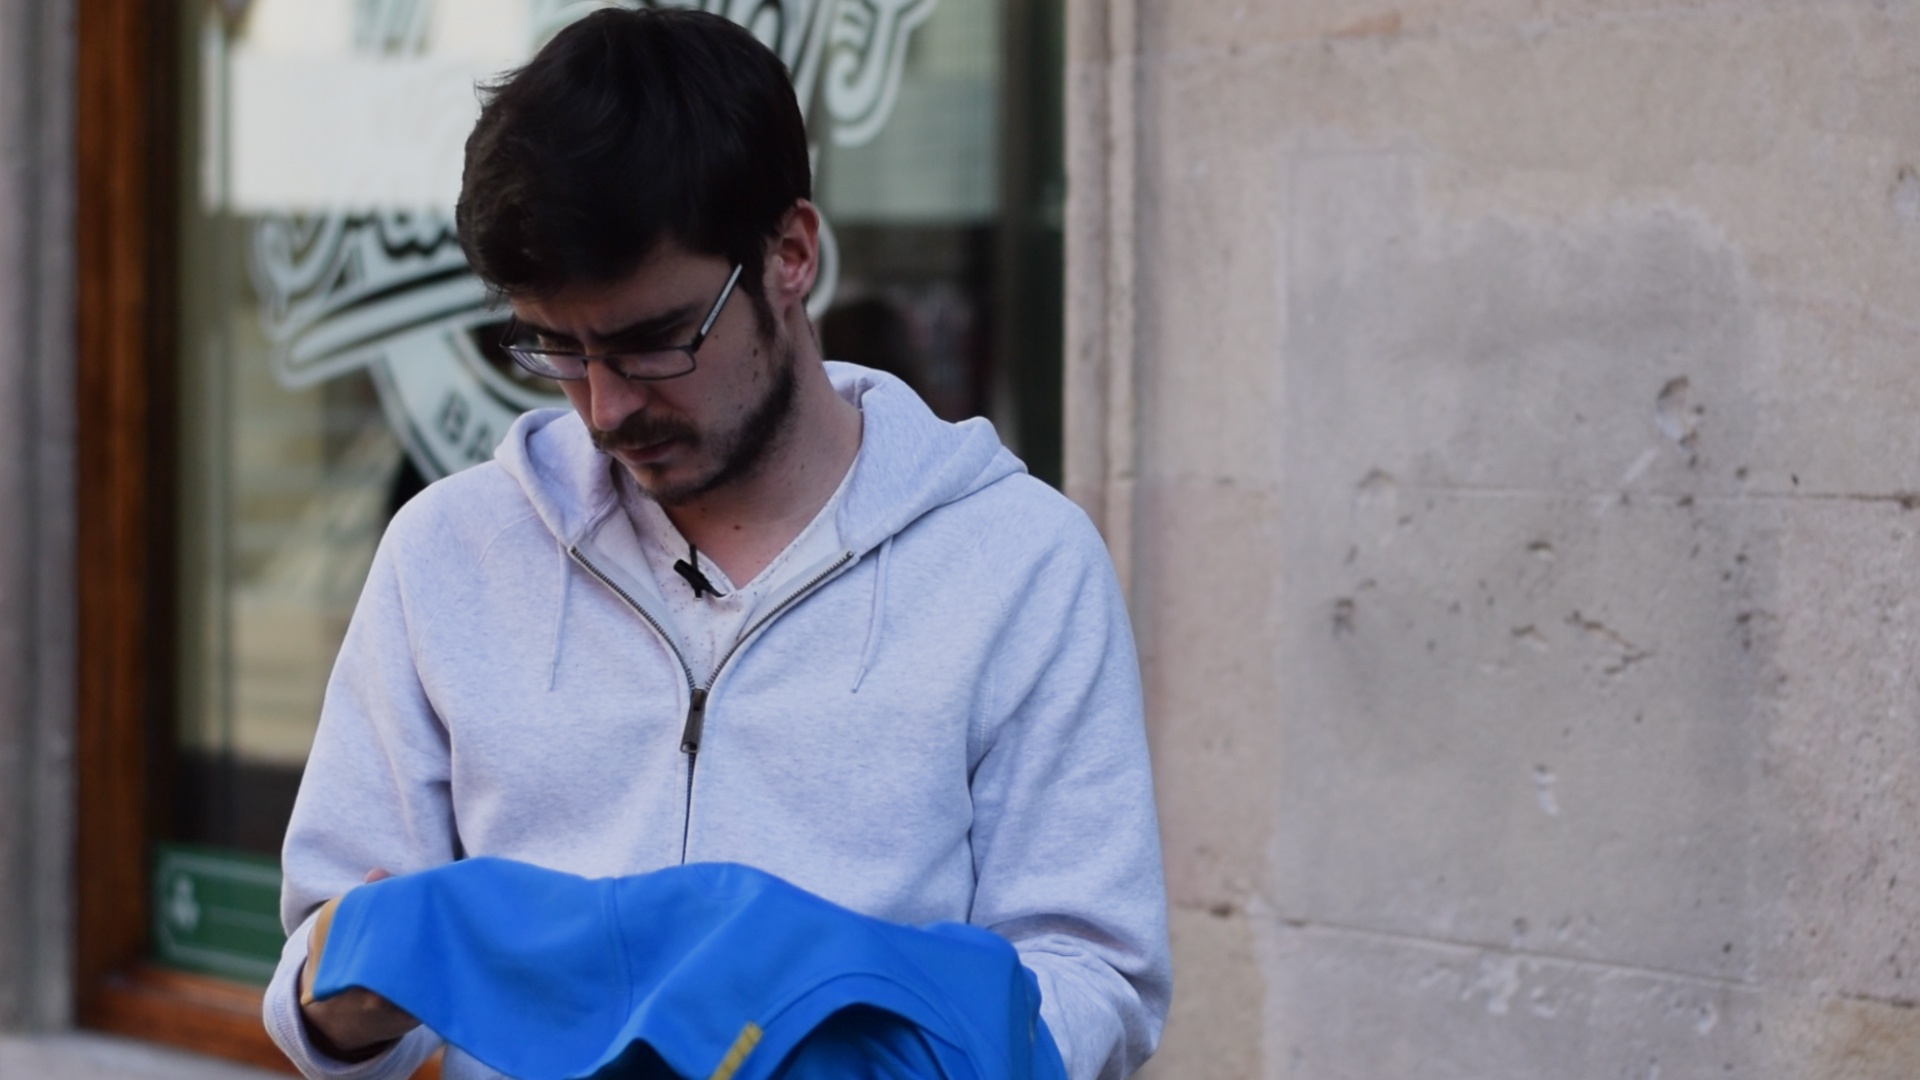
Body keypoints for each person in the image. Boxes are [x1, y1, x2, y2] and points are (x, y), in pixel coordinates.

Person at [261, 9, 1169, 1080]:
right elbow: (319, 977)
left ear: (790, 254)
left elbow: (1096, 973)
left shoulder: (1021, 563)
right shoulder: (449, 551)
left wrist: (855, 1040)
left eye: (653, 342)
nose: (602, 406)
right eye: (558, 347)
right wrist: (350, 986)